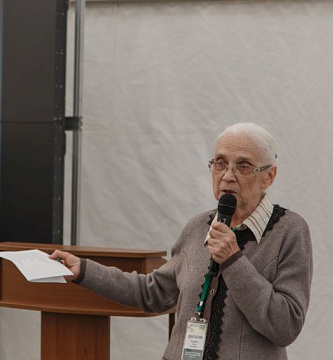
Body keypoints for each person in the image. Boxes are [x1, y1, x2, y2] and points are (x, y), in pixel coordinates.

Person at [51, 122, 313, 360]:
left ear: (269, 176)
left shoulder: (289, 230)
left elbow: (285, 325)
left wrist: (234, 259)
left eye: (243, 166)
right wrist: (84, 270)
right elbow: (153, 293)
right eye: (220, 163)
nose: (228, 175)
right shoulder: (198, 226)